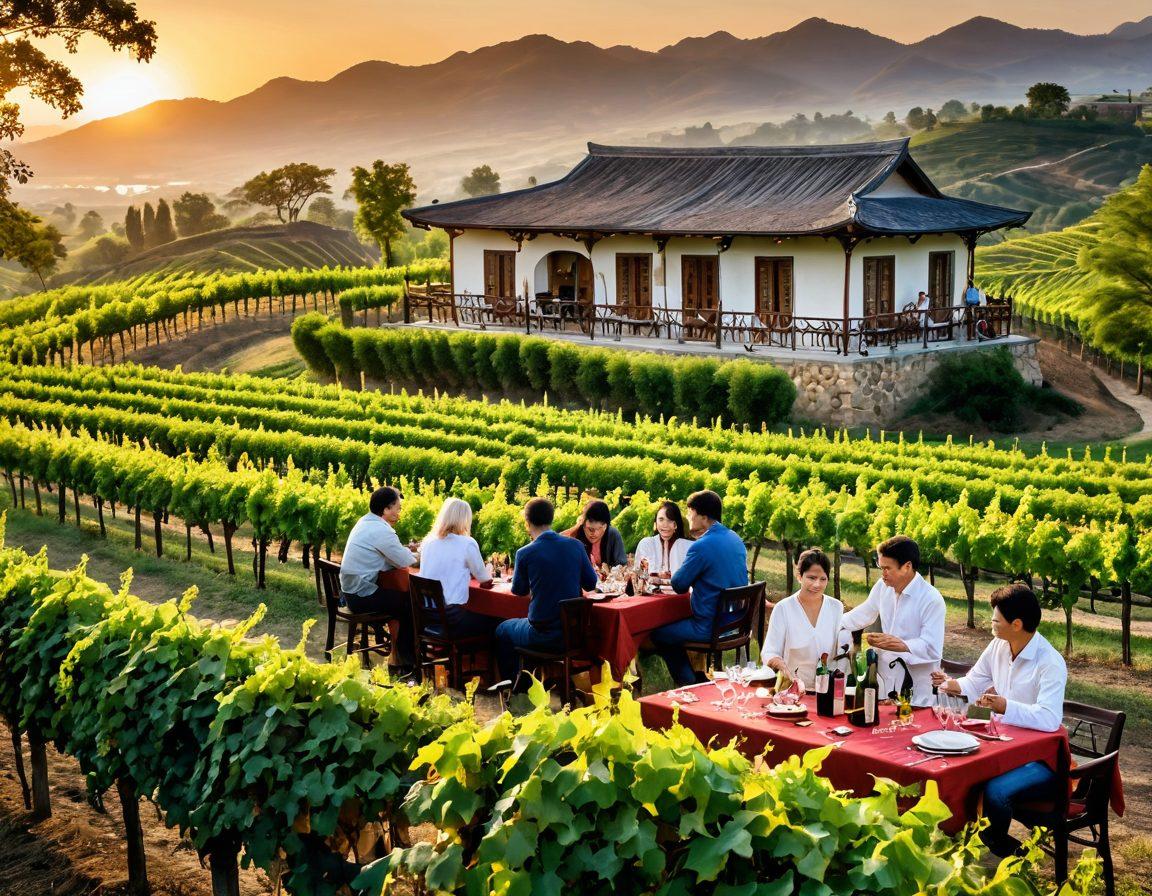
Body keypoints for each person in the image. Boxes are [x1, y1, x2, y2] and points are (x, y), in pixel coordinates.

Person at [933, 584, 1067, 856]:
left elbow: (1050, 718)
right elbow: (975, 680)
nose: (990, 623)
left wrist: (1005, 705)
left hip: (1041, 760)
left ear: (1016, 624)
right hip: (1003, 745)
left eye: (996, 619)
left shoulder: (1049, 662)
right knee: (959, 771)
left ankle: (1009, 853)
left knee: (996, 791)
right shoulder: (999, 645)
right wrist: (950, 684)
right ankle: (967, 842)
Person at [495, 497, 598, 688]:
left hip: (542, 634)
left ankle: (515, 690)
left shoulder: (525, 553)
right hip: (574, 634)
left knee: (502, 629)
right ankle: (530, 683)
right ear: (552, 519)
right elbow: (591, 583)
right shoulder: (575, 545)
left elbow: (519, 590)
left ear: (527, 523)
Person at [650, 490, 748, 686]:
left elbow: (678, 584)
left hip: (710, 627)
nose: (688, 517)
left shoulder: (701, 546)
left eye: (690, 513)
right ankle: (697, 677)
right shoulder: (735, 538)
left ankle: (689, 682)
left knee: (658, 633)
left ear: (703, 517)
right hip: (735, 624)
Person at [836, 535, 944, 706]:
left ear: (907, 566)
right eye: (881, 567)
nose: (883, 574)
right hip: (886, 682)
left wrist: (900, 644)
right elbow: (863, 614)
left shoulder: (931, 599)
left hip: (918, 689)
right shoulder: (882, 586)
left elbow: (932, 647)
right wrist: (832, 625)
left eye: (888, 568)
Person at [339, 486, 417, 671]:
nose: (399, 513)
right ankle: (404, 663)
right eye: (397, 508)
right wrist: (423, 552)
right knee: (410, 603)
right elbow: (406, 561)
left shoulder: (366, 521)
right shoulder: (381, 531)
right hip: (361, 596)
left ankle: (397, 656)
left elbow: (386, 557)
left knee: (398, 599)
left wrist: (406, 549)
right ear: (386, 509)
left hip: (350, 592)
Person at [760, 548, 843, 687]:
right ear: (799, 576)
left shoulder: (836, 608)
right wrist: (782, 667)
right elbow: (770, 652)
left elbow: (842, 652)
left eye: (823, 579)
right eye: (811, 578)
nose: (817, 584)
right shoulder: (783, 608)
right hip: (793, 688)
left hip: (828, 690)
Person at [417, 497, 497, 638]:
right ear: (465, 519)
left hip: (428, 614)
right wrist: (489, 568)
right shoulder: (467, 543)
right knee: (497, 619)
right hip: (452, 616)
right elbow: (484, 579)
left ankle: (459, 658)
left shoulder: (428, 542)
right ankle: (475, 660)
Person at [634, 501, 691, 580]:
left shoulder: (688, 546)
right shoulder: (646, 543)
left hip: (680, 591)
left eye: (670, 520)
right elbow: (639, 574)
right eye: (661, 519)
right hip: (651, 591)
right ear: (655, 522)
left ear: (676, 524)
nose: (665, 525)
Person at [564, 499, 627, 569]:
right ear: (583, 525)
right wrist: (576, 527)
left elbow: (622, 564)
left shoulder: (612, 534)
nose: (595, 534)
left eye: (599, 529)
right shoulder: (578, 533)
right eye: (591, 529)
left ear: (605, 527)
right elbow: (555, 542)